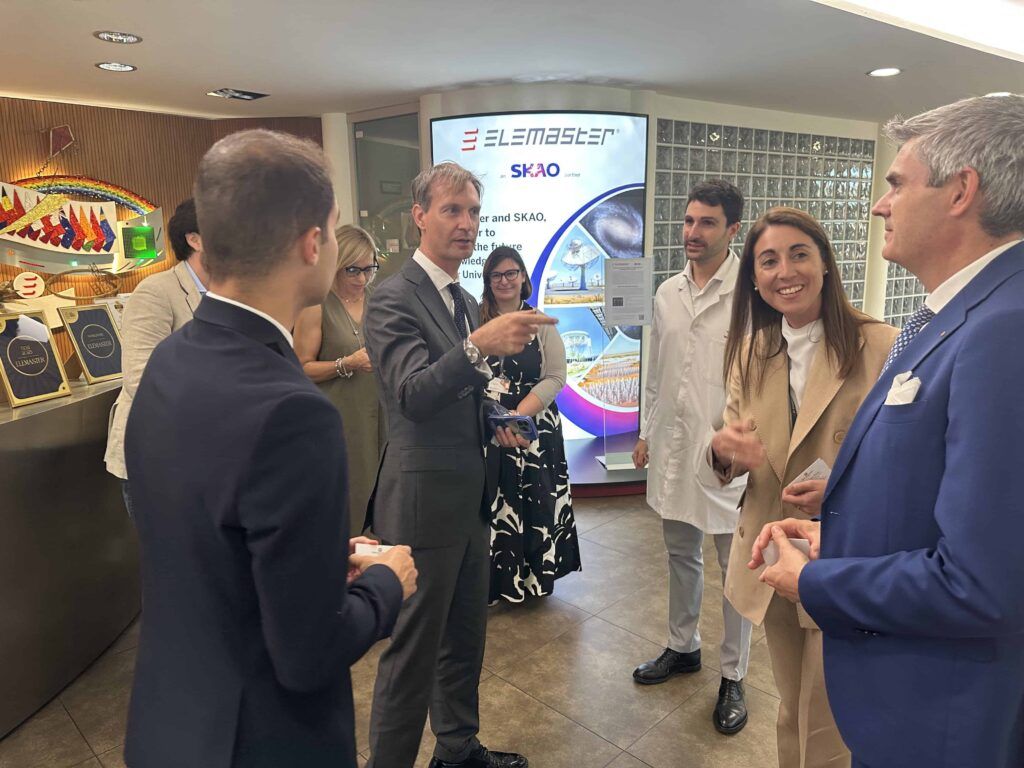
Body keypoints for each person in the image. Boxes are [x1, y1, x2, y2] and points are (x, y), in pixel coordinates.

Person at [122, 130, 416, 768]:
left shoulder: (172, 359)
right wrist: (387, 584)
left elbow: (213, 539)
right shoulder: (294, 414)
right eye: (334, 230)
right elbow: (309, 652)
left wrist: (314, 556)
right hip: (261, 739)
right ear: (313, 244)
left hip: (170, 722)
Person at [754, 94, 1024, 768]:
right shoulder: (954, 314)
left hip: (943, 718)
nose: (880, 205)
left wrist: (816, 583)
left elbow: (982, 583)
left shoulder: (1005, 329)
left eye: (898, 183)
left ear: (961, 190)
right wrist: (844, 537)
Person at [363, 162, 555, 768]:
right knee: (412, 655)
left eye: (473, 211)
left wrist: (499, 423)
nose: (466, 223)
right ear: (419, 216)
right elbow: (412, 395)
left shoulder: (466, 300)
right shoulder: (391, 296)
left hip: (473, 498)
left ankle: (457, 750)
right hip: (423, 506)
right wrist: (479, 347)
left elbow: (464, 396)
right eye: (451, 210)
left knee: (465, 639)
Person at [706, 206, 896, 768]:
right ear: (754, 278)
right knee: (792, 707)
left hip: (845, 554)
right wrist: (723, 452)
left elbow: (906, 459)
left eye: (798, 255)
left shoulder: (880, 345)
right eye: (768, 261)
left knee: (830, 719)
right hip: (774, 553)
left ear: (825, 264)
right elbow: (730, 439)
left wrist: (845, 487)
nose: (784, 272)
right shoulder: (750, 351)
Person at [631, 179, 753, 735]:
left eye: (707, 222)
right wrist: (645, 433)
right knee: (681, 553)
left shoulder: (750, 295)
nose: (693, 232)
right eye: (688, 221)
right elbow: (658, 373)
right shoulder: (667, 293)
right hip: (674, 448)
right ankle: (683, 647)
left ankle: (734, 674)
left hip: (728, 456)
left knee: (736, 570)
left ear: (732, 229)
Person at [479, 245, 580, 603]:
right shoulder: (476, 323)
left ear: (523, 277)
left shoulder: (540, 323)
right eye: (496, 275)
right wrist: (498, 416)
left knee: (535, 503)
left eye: (511, 273)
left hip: (534, 429)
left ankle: (533, 581)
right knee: (496, 507)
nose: (504, 280)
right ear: (488, 281)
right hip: (488, 427)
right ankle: (497, 583)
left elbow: (555, 377)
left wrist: (518, 415)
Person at [104, 198, 208, 515]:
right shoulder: (157, 291)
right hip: (159, 456)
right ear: (194, 239)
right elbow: (142, 380)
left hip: (211, 457)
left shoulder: (231, 294)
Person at [295, 224, 383, 536]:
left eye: (369, 269)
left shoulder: (379, 301)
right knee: (350, 499)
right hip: (341, 418)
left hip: (381, 416)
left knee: (382, 497)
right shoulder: (315, 305)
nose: (362, 279)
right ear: (335, 265)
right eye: (353, 270)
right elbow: (300, 368)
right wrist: (347, 364)